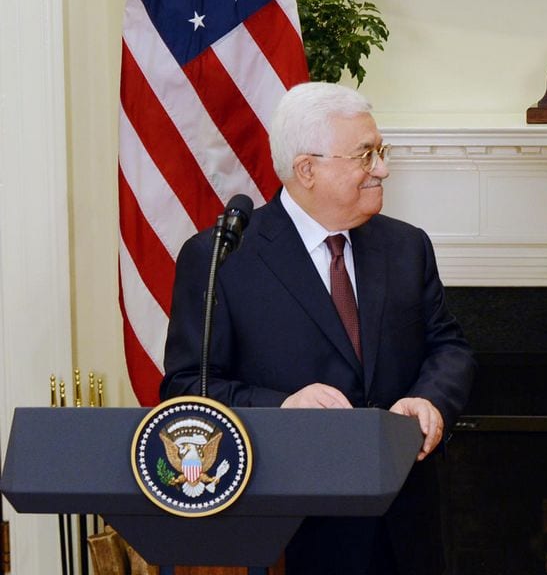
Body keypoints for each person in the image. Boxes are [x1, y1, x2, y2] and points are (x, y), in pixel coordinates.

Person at [161, 81, 475, 575]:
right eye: (366, 155)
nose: (383, 168)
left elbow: (448, 346)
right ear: (307, 169)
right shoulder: (223, 259)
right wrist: (283, 407)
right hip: (290, 529)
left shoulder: (406, 246)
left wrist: (429, 398)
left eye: (381, 151)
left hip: (406, 523)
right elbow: (187, 389)